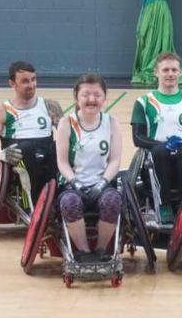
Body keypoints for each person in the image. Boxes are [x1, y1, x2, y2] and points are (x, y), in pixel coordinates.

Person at [131, 52, 182, 219]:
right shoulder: (143, 102)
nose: (170, 74)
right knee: (160, 152)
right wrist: (164, 145)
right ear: (156, 73)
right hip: (157, 158)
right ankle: (163, 204)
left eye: (174, 70)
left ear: (180, 72)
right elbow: (137, 138)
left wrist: (180, 143)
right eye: (165, 70)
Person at [56, 74, 122, 263]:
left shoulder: (112, 123)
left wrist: (102, 184)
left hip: (102, 184)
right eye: (86, 95)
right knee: (70, 202)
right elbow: (62, 162)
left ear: (104, 98)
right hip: (72, 185)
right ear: (77, 98)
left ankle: (101, 250)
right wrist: (75, 182)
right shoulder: (66, 123)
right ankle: (83, 252)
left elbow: (115, 161)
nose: (91, 100)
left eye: (97, 95)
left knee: (112, 200)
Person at [0, 61, 62, 204]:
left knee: (60, 150)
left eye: (33, 79)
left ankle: (61, 201)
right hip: (21, 157)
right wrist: (1, 154)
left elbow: (66, 137)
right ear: (12, 83)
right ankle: (29, 204)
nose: (31, 85)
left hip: (47, 154)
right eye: (25, 81)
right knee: (27, 151)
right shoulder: (1, 111)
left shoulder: (50, 106)